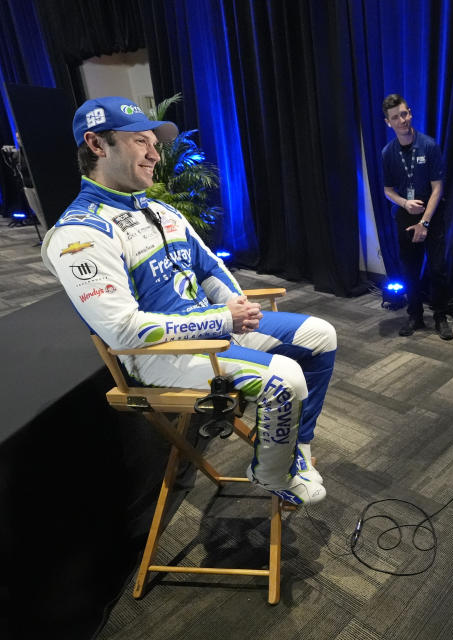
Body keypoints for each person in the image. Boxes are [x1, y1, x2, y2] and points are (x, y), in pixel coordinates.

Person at [40, 96, 336, 506]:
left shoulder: (159, 210)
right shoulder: (78, 235)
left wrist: (238, 306)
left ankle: (296, 450)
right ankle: (270, 472)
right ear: (96, 145)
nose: (154, 154)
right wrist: (221, 320)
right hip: (159, 355)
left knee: (321, 334)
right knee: (285, 377)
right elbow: (123, 329)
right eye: (140, 141)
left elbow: (210, 268)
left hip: (211, 330)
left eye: (155, 144)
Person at [380, 94, 453, 340]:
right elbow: (387, 191)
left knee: (438, 268)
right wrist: (404, 203)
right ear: (388, 122)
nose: (402, 120)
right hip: (405, 216)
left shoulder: (429, 146)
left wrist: (424, 222)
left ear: (410, 113)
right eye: (395, 117)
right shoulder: (388, 153)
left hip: (432, 215)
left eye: (404, 114)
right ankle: (415, 315)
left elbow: (438, 189)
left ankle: (441, 316)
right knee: (409, 269)